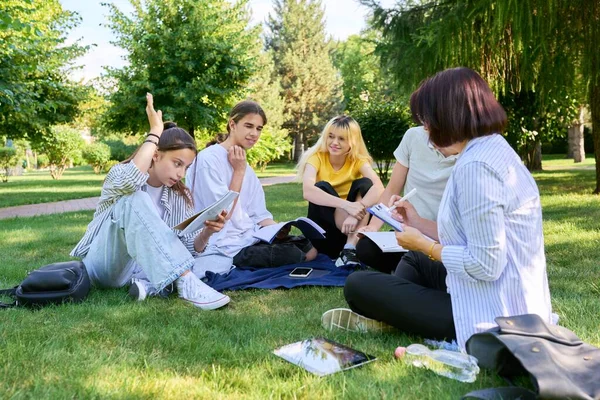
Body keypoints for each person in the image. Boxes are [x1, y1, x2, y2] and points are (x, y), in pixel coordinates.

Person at [327, 67, 554, 349]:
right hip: (515, 301)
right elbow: (474, 237)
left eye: (428, 121)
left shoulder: (476, 168)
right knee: (414, 260)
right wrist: (418, 223)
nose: (425, 129)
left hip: (493, 314)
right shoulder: (494, 149)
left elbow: (486, 264)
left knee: (358, 284)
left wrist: (425, 245)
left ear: (450, 117)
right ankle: (398, 310)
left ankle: (394, 313)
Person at [70, 93, 230, 311]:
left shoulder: (178, 196)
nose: (181, 173)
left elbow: (185, 249)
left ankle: (148, 287)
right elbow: (132, 178)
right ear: (155, 154)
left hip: (144, 270)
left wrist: (207, 232)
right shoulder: (119, 175)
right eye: (177, 163)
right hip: (105, 267)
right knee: (134, 198)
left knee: (221, 258)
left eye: (186, 167)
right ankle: (183, 281)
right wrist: (155, 132)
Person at [186, 100, 318, 278]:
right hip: (224, 244)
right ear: (232, 124)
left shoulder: (245, 164)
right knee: (296, 255)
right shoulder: (209, 160)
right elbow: (221, 214)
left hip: (252, 235)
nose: (254, 133)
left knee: (309, 249)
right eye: (249, 126)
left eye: (259, 128)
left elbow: (259, 214)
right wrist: (238, 171)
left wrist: (278, 229)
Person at [355, 125, 457, 273]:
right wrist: (372, 227)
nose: (426, 125)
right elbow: (391, 190)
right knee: (366, 248)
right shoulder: (413, 136)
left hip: (443, 239)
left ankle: (414, 270)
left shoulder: (469, 152)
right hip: (409, 231)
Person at [296, 115, 384, 266]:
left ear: (352, 142)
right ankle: (347, 249)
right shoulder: (315, 157)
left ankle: (350, 248)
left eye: (342, 139)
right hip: (326, 235)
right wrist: (346, 206)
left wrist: (356, 212)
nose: (334, 143)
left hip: (353, 231)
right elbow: (308, 191)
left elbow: (379, 188)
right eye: (331, 136)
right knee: (322, 187)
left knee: (365, 184)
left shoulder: (358, 160)